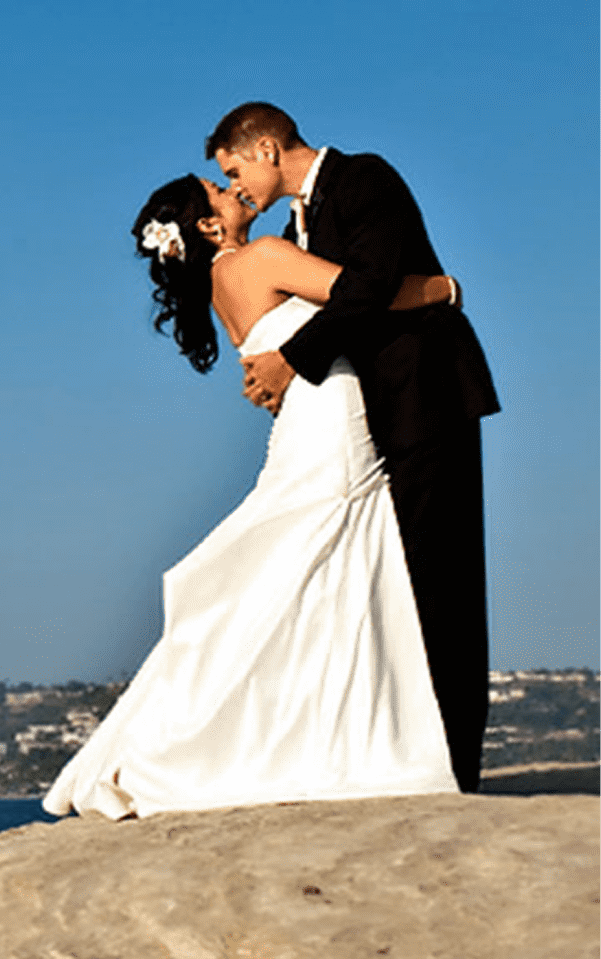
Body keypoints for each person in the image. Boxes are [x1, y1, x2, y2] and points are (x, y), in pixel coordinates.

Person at [43, 174, 461, 819]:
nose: (234, 189)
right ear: (209, 226)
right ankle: (316, 734)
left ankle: (315, 731)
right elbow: (362, 296)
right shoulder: (261, 257)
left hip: (309, 419)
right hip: (326, 421)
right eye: (220, 188)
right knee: (312, 560)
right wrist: (443, 289)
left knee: (305, 569)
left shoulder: (220, 283)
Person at [209, 103, 499, 793]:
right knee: (395, 584)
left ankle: (456, 767)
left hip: (425, 397)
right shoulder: (288, 228)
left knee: (443, 581)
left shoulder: (364, 179)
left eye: (234, 169)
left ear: (268, 147)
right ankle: (400, 749)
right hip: (369, 419)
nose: (236, 185)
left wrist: (288, 359)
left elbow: (366, 286)